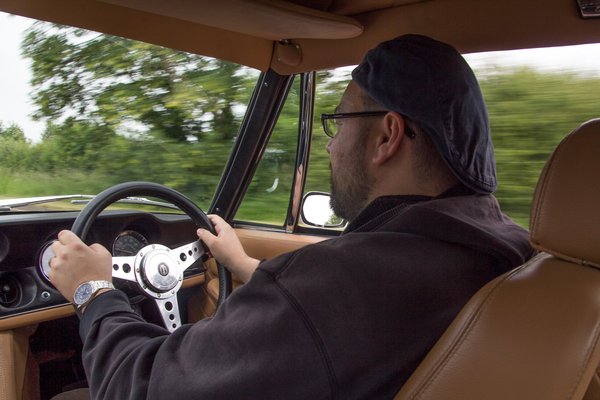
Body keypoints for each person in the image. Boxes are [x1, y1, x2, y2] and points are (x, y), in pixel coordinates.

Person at [49, 34, 534, 399]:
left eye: (338, 122)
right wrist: (247, 266)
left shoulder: (342, 282)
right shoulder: (511, 252)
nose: (330, 146)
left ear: (387, 136)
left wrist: (93, 290)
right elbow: (339, 320)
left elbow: (141, 386)